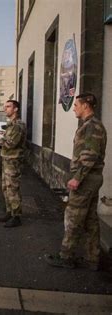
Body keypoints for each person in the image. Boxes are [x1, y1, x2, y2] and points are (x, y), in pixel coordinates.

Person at [45, 93, 107, 270]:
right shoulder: (91, 125)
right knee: (90, 219)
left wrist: (77, 178)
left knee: (73, 217)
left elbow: (90, 155)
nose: (74, 108)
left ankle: (66, 256)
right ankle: (92, 258)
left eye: (76, 105)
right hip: (91, 179)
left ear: (86, 106)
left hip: (86, 180)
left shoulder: (92, 126)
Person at [0, 100, 26, 228]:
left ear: (16, 109)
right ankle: (10, 211)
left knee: (13, 188)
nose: (5, 109)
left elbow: (11, 143)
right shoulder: (11, 124)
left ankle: (16, 216)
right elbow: (8, 140)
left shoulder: (17, 125)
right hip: (7, 159)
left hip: (13, 161)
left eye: (8, 107)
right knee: (6, 188)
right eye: (5, 107)